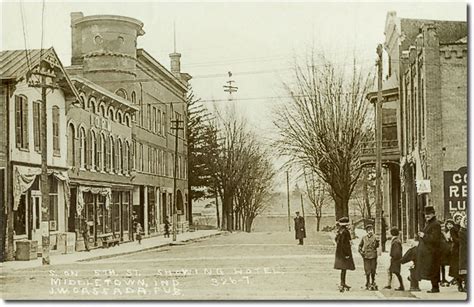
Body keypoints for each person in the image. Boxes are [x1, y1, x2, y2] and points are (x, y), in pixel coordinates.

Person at [415, 205, 442, 293]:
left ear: (433, 214)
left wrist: (424, 235)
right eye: (426, 214)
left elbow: (435, 238)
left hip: (433, 251)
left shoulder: (435, 224)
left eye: (429, 214)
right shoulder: (429, 223)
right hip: (429, 251)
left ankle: (435, 287)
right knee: (431, 269)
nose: (427, 216)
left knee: (433, 269)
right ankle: (434, 286)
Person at [334, 217, 355, 291]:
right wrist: (346, 254)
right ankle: (342, 283)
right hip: (344, 253)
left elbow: (336, 240)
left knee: (343, 269)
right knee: (344, 268)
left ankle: (343, 282)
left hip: (339, 253)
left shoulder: (340, 231)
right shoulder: (345, 232)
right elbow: (345, 244)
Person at [358, 224, 379, 290]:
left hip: (373, 256)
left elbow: (376, 246)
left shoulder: (375, 237)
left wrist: (377, 242)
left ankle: (373, 281)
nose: (370, 231)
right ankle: (367, 282)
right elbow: (360, 246)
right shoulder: (364, 237)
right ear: (366, 231)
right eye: (369, 230)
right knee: (367, 270)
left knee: (373, 269)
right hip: (366, 256)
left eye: (371, 230)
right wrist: (361, 252)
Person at [449, 212, 463, 290]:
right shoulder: (453, 229)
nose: (459, 220)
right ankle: (459, 284)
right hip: (456, 250)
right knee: (457, 267)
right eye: (457, 219)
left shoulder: (464, 227)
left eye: (460, 219)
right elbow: (455, 239)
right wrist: (463, 241)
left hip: (463, 249)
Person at [440, 219, 454, 287]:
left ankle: (454, 278)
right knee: (442, 265)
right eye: (448, 224)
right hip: (444, 251)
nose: (449, 226)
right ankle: (443, 278)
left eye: (451, 224)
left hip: (450, 250)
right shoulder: (443, 233)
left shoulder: (453, 231)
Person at [458, 216, 467, 292]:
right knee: (464, 269)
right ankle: (463, 285)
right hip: (464, 252)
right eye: (466, 221)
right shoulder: (462, 231)